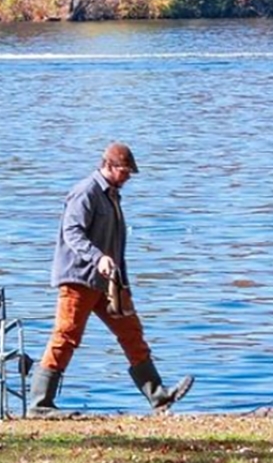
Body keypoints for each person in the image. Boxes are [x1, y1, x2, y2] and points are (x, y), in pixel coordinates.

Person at [28, 142, 194, 418]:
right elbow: (72, 233)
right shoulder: (86, 192)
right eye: (125, 172)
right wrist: (97, 257)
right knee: (66, 336)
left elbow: (116, 246)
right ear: (109, 166)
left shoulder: (112, 195)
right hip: (79, 279)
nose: (128, 177)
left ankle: (158, 396)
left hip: (109, 285)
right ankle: (40, 404)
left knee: (131, 333)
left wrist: (122, 282)